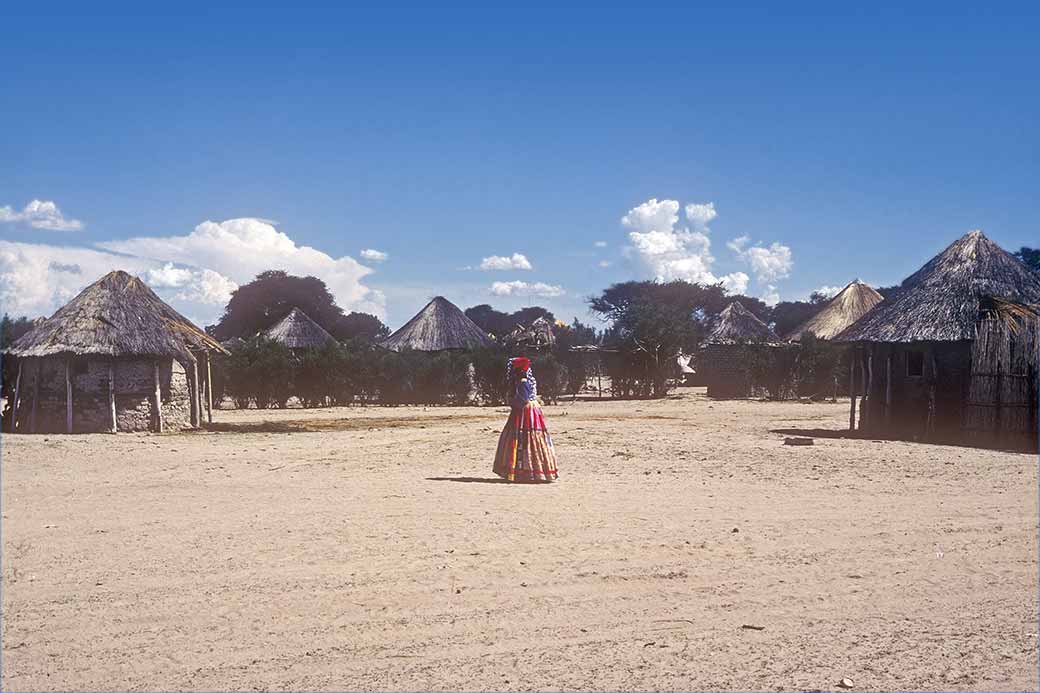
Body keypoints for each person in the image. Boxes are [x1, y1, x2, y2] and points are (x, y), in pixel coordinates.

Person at [493, 357, 559, 482]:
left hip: (524, 412)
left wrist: (512, 402)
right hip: (531, 410)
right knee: (530, 439)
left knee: (524, 439)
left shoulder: (523, 381)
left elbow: (523, 398)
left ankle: (526, 471)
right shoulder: (527, 380)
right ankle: (534, 470)